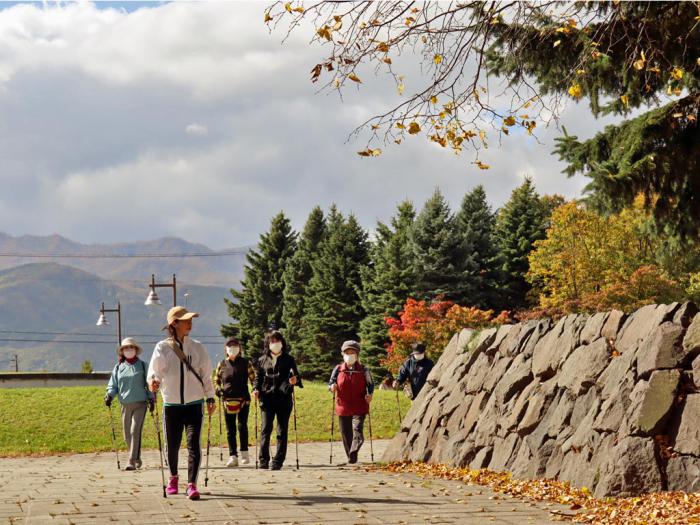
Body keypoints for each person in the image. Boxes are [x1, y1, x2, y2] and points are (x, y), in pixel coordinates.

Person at [148, 306, 216, 500]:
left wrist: (210, 396)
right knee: (172, 445)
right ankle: (173, 477)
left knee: (194, 444)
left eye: (190, 319)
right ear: (174, 323)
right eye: (186, 320)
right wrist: (153, 381)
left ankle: (192, 484)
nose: (190, 323)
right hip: (172, 405)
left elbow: (206, 375)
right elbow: (156, 371)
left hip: (195, 404)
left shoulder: (198, 347)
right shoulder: (162, 347)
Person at [252, 330, 302, 470]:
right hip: (266, 399)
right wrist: (255, 389)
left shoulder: (289, 359)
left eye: (277, 341)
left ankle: (278, 461)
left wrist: (294, 380)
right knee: (265, 429)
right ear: (268, 343)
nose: (275, 344)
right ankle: (263, 459)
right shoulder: (262, 360)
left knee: (282, 430)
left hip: (284, 399)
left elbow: (297, 377)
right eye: (272, 341)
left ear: (282, 343)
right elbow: (258, 378)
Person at [104, 337, 154, 471]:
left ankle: (131, 461)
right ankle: (137, 457)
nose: (129, 350)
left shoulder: (143, 365)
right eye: (126, 348)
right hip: (125, 404)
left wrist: (152, 399)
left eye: (131, 347)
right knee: (127, 434)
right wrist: (109, 395)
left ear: (136, 350)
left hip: (140, 404)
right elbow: (113, 385)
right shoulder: (118, 367)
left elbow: (149, 384)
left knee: (135, 430)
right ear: (122, 351)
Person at [328, 340, 374, 465]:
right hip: (343, 405)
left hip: (360, 405)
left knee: (357, 429)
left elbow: (370, 385)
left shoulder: (364, 370)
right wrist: (332, 387)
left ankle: (354, 450)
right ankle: (351, 456)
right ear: (343, 354)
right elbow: (331, 382)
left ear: (357, 354)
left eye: (352, 352)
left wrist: (369, 394)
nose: (349, 355)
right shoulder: (338, 369)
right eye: (347, 352)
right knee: (345, 432)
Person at [214, 337, 255, 467]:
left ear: (240, 348)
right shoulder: (222, 364)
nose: (233, 348)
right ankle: (233, 456)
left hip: (243, 399)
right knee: (230, 429)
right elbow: (216, 380)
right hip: (227, 400)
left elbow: (254, 378)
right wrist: (218, 390)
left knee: (242, 426)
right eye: (230, 346)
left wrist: (255, 389)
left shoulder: (246, 363)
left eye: (235, 345)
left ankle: (244, 453)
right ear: (226, 349)